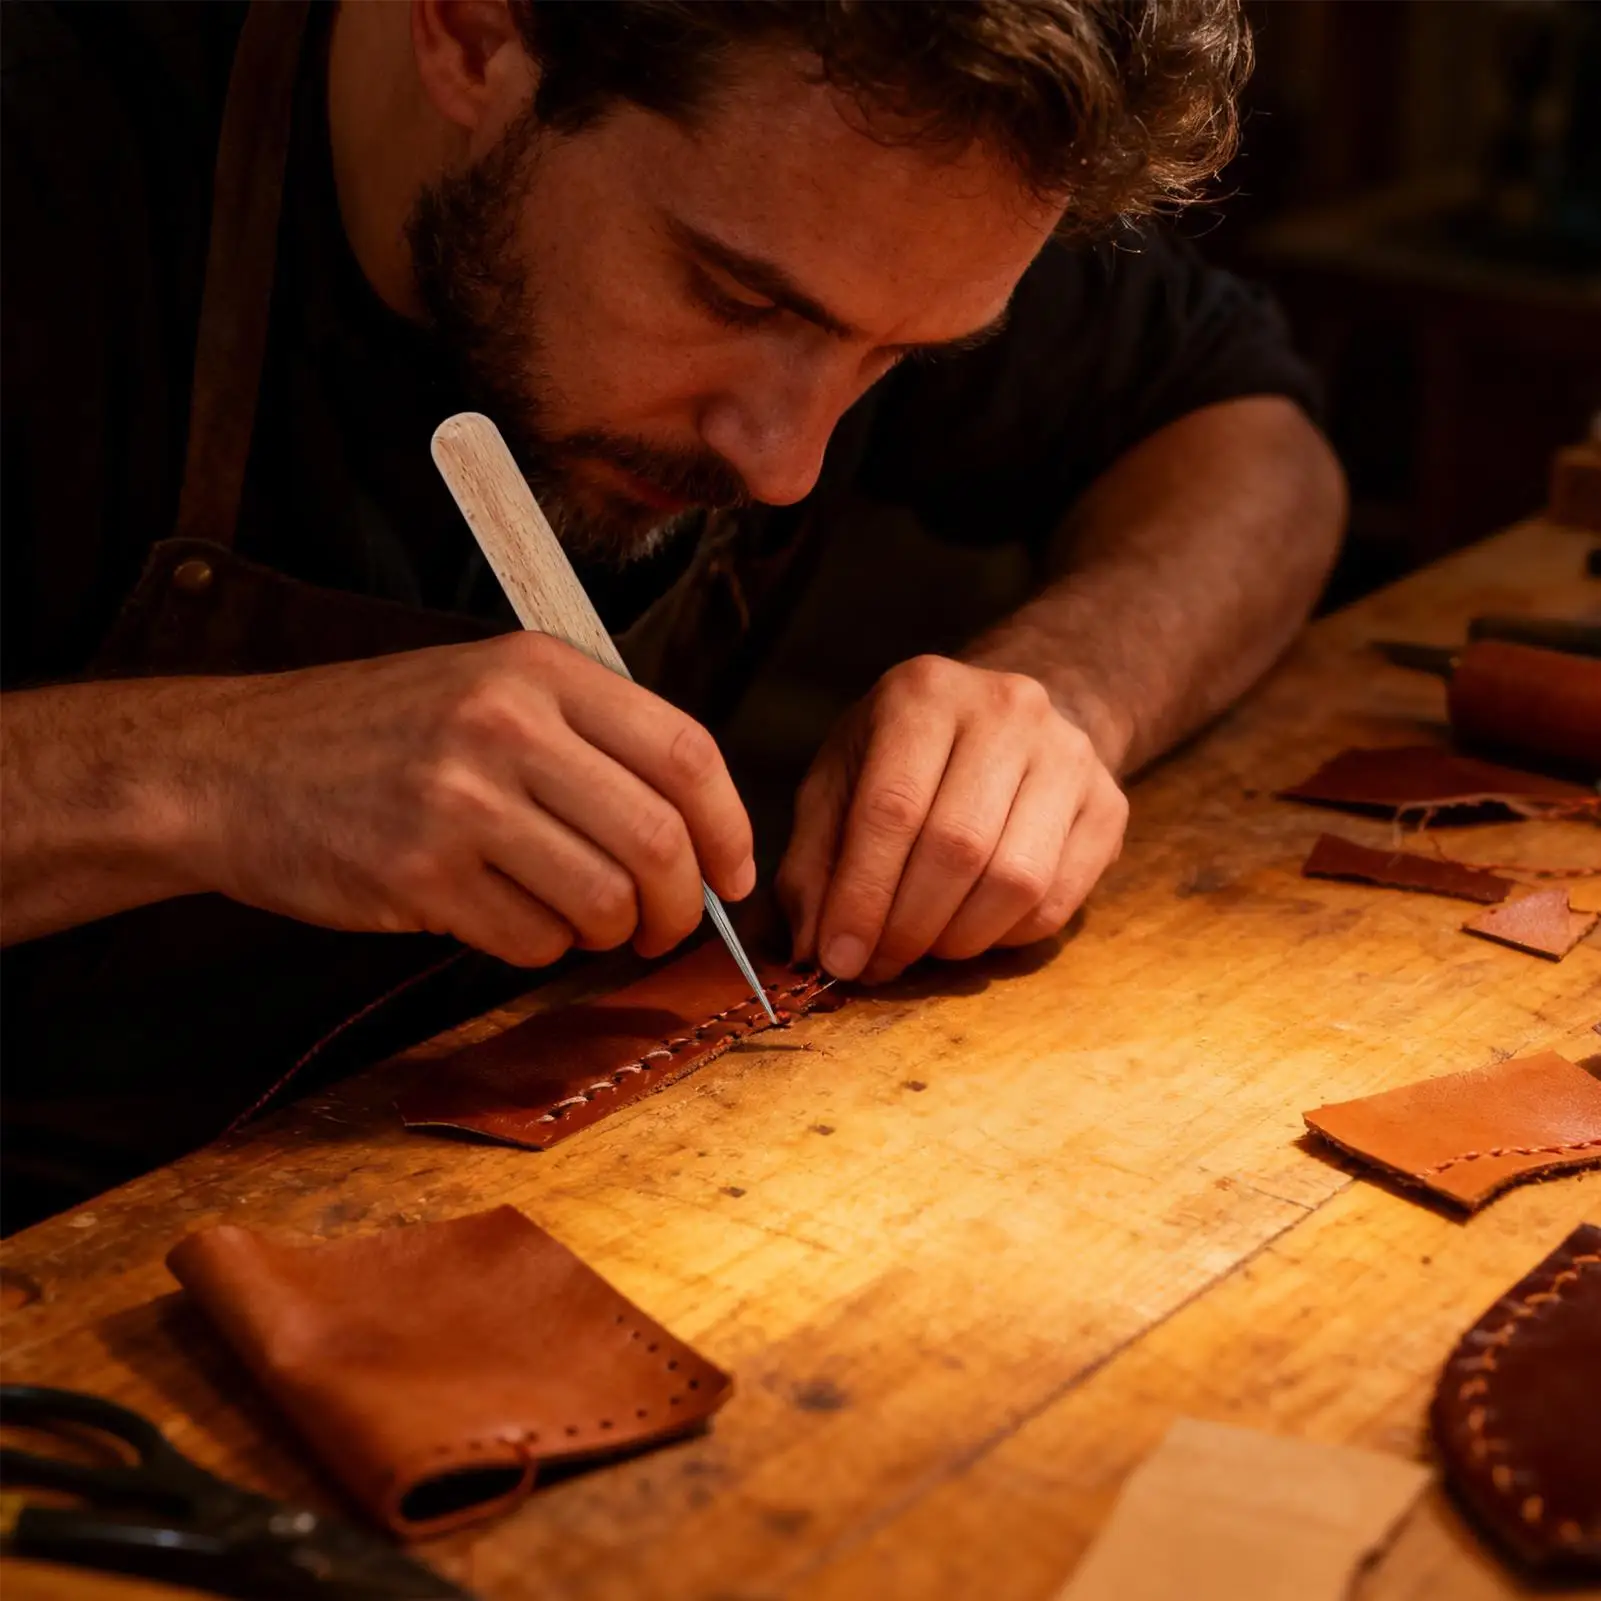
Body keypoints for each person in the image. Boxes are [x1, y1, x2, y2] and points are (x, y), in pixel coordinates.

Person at [0, 0, 1344, 1227]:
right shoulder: (54, 147)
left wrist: (1073, 694)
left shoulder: (898, 186)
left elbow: (1255, 449)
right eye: (740, 299)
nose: (788, 460)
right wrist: (204, 773)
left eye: (898, 357)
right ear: (472, 36)